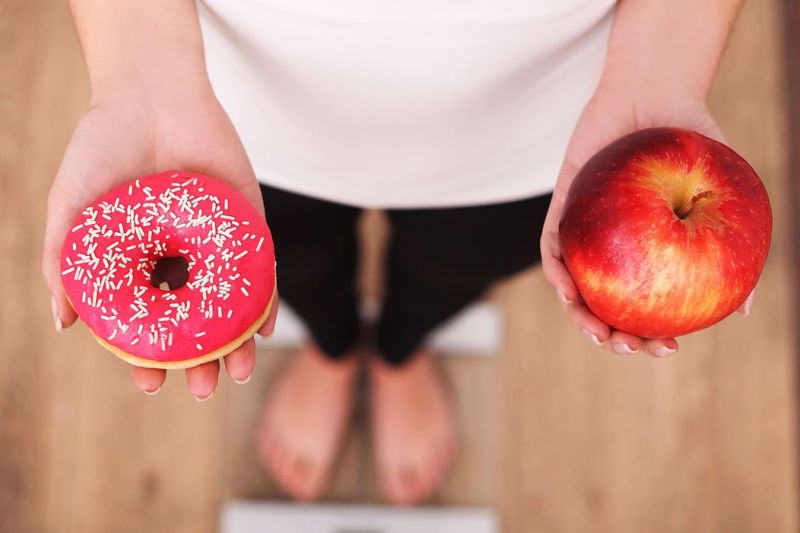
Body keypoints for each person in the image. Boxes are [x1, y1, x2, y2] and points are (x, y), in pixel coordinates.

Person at [43, 0, 750, 505]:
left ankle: (400, 349)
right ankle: (332, 342)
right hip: (223, 111)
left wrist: (663, 68)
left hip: (549, 123)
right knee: (293, 262)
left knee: (457, 265)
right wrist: (137, 70)